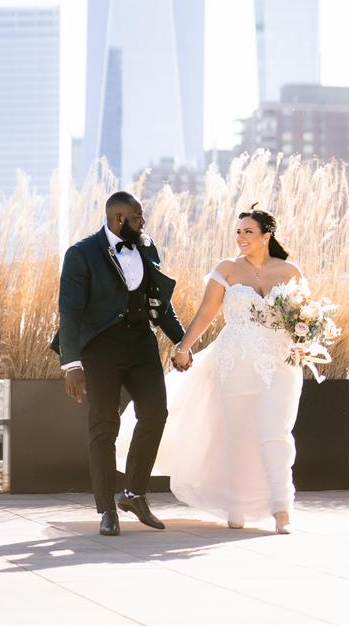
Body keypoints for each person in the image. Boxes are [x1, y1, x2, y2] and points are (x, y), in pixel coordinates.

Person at [117, 206, 304, 534]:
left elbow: (302, 317)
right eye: (238, 232)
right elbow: (207, 311)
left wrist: (306, 341)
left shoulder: (290, 272)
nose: (241, 237)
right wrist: (184, 347)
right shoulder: (227, 269)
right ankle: (237, 505)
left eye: (248, 231)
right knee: (237, 434)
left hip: (279, 363)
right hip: (233, 362)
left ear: (266, 236)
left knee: (276, 433)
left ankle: (281, 509)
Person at [55, 191, 191, 537]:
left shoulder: (146, 246)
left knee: (156, 412)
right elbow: (69, 312)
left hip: (141, 345)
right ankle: (107, 509)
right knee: (104, 424)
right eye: (137, 216)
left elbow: (160, 303)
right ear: (119, 219)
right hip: (100, 349)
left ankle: (134, 494)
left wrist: (183, 341)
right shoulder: (81, 253)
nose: (143, 222)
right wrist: (71, 364)